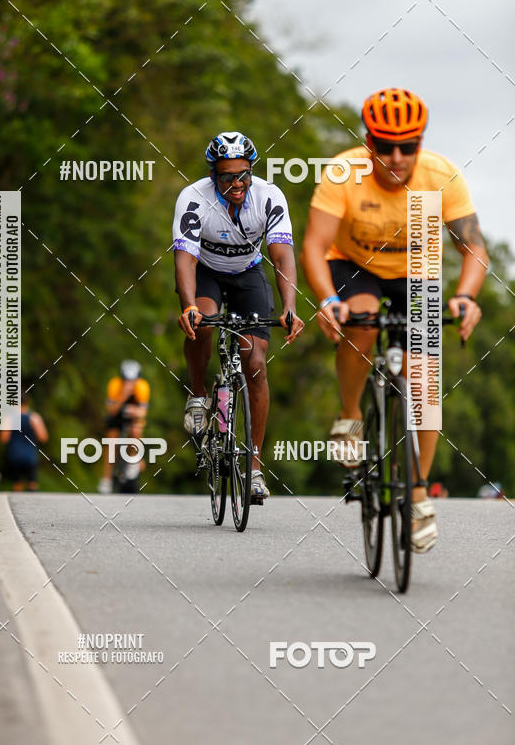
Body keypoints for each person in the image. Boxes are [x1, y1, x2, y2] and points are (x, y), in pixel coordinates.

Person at [301, 87, 488, 552]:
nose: (398, 157)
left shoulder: (439, 176)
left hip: (417, 264)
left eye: (409, 146)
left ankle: (419, 493)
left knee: (424, 379)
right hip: (352, 262)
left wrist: (465, 296)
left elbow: (474, 249)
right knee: (361, 320)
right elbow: (313, 244)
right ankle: (349, 417)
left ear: (420, 143)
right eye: (386, 146)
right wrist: (326, 300)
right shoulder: (345, 173)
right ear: (369, 142)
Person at [173, 131, 304, 501]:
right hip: (207, 274)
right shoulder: (193, 198)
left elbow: (281, 256)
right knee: (202, 322)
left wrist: (290, 306)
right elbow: (185, 259)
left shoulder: (269, 196)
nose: (236, 183)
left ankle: (255, 467)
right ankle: (198, 395)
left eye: (243, 174)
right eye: (227, 175)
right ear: (213, 174)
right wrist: (188, 305)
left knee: (256, 361)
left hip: (248, 274)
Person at [98, 360, 150, 495]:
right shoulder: (115, 385)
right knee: (111, 441)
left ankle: (133, 459)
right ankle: (106, 479)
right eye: (126, 380)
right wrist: (123, 396)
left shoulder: (142, 387)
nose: (129, 383)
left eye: (132, 380)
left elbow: (143, 412)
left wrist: (135, 411)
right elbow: (111, 411)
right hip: (117, 413)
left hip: (133, 415)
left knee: (136, 429)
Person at [0, 394, 48, 491]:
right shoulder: (34, 417)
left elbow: (4, 438)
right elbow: (43, 437)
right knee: (32, 483)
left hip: (14, 454)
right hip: (30, 455)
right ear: (28, 403)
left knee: (17, 484)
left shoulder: (9, 418)